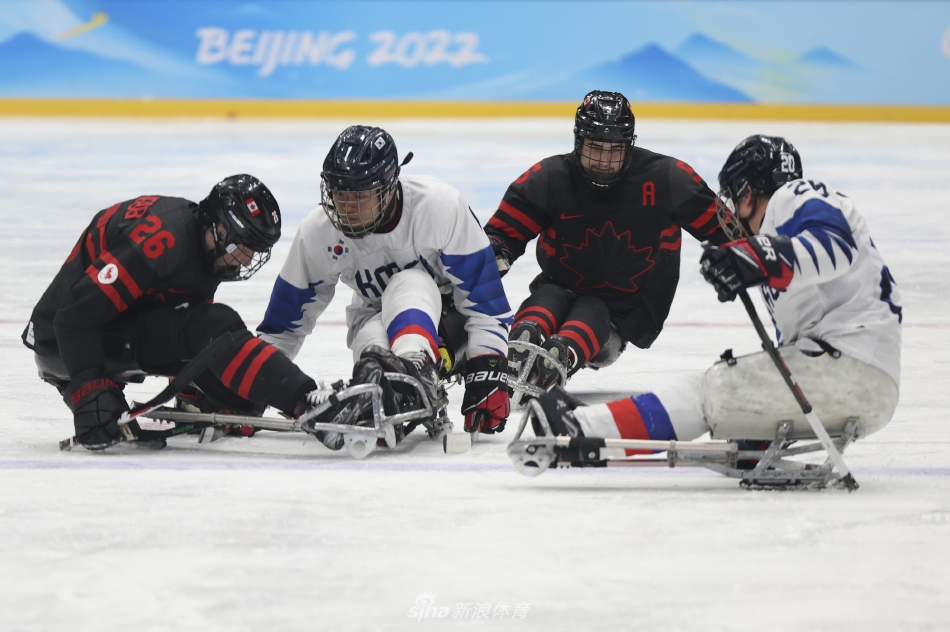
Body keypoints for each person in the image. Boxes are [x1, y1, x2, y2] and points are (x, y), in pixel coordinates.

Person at [535, 135, 902, 456]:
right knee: (731, 389)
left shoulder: (792, 197)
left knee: (708, 389)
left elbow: (834, 245)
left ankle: (582, 429)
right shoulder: (788, 235)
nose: (732, 214)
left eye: (733, 197)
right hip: (856, 380)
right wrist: (761, 426)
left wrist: (753, 257)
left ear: (747, 192)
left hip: (850, 368)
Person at [23, 175, 322, 450]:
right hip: (65, 342)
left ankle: (289, 398)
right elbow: (74, 316)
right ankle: (306, 400)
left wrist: (205, 388)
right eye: (243, 247)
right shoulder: (160, 240)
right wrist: (88, 388)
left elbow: (184, 326)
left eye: (254, 251)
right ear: (219, 228)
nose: (245, 261)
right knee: (218, 325)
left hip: (104, 328)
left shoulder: (207, 247)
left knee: (242, 398)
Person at [257, 125, 512, 442]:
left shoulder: (438, 207)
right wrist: (253, 388)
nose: (346, 208)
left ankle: (415, 366)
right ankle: (392, 384)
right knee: (373, 353)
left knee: (411, 281)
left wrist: (488, 369)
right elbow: (282, 326)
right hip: (375, 315)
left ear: (390, 188)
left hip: (449, 325)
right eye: (339, 194)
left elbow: (486, 302)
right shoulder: (318, 232)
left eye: (359, 196)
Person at [484, 90, 728, 393]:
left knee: (591, 306)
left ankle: (561, 352)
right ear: (578, 141)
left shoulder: (668, 179)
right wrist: (495, 252)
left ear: (629, 145)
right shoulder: (549, 178)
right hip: (558, 288)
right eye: (595, 147)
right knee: (549, 296)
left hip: (623, 312)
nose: (603, 160)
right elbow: (502, 234)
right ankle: (528, 340)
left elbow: (728, 233)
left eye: (614, 149)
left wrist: (745, 257)